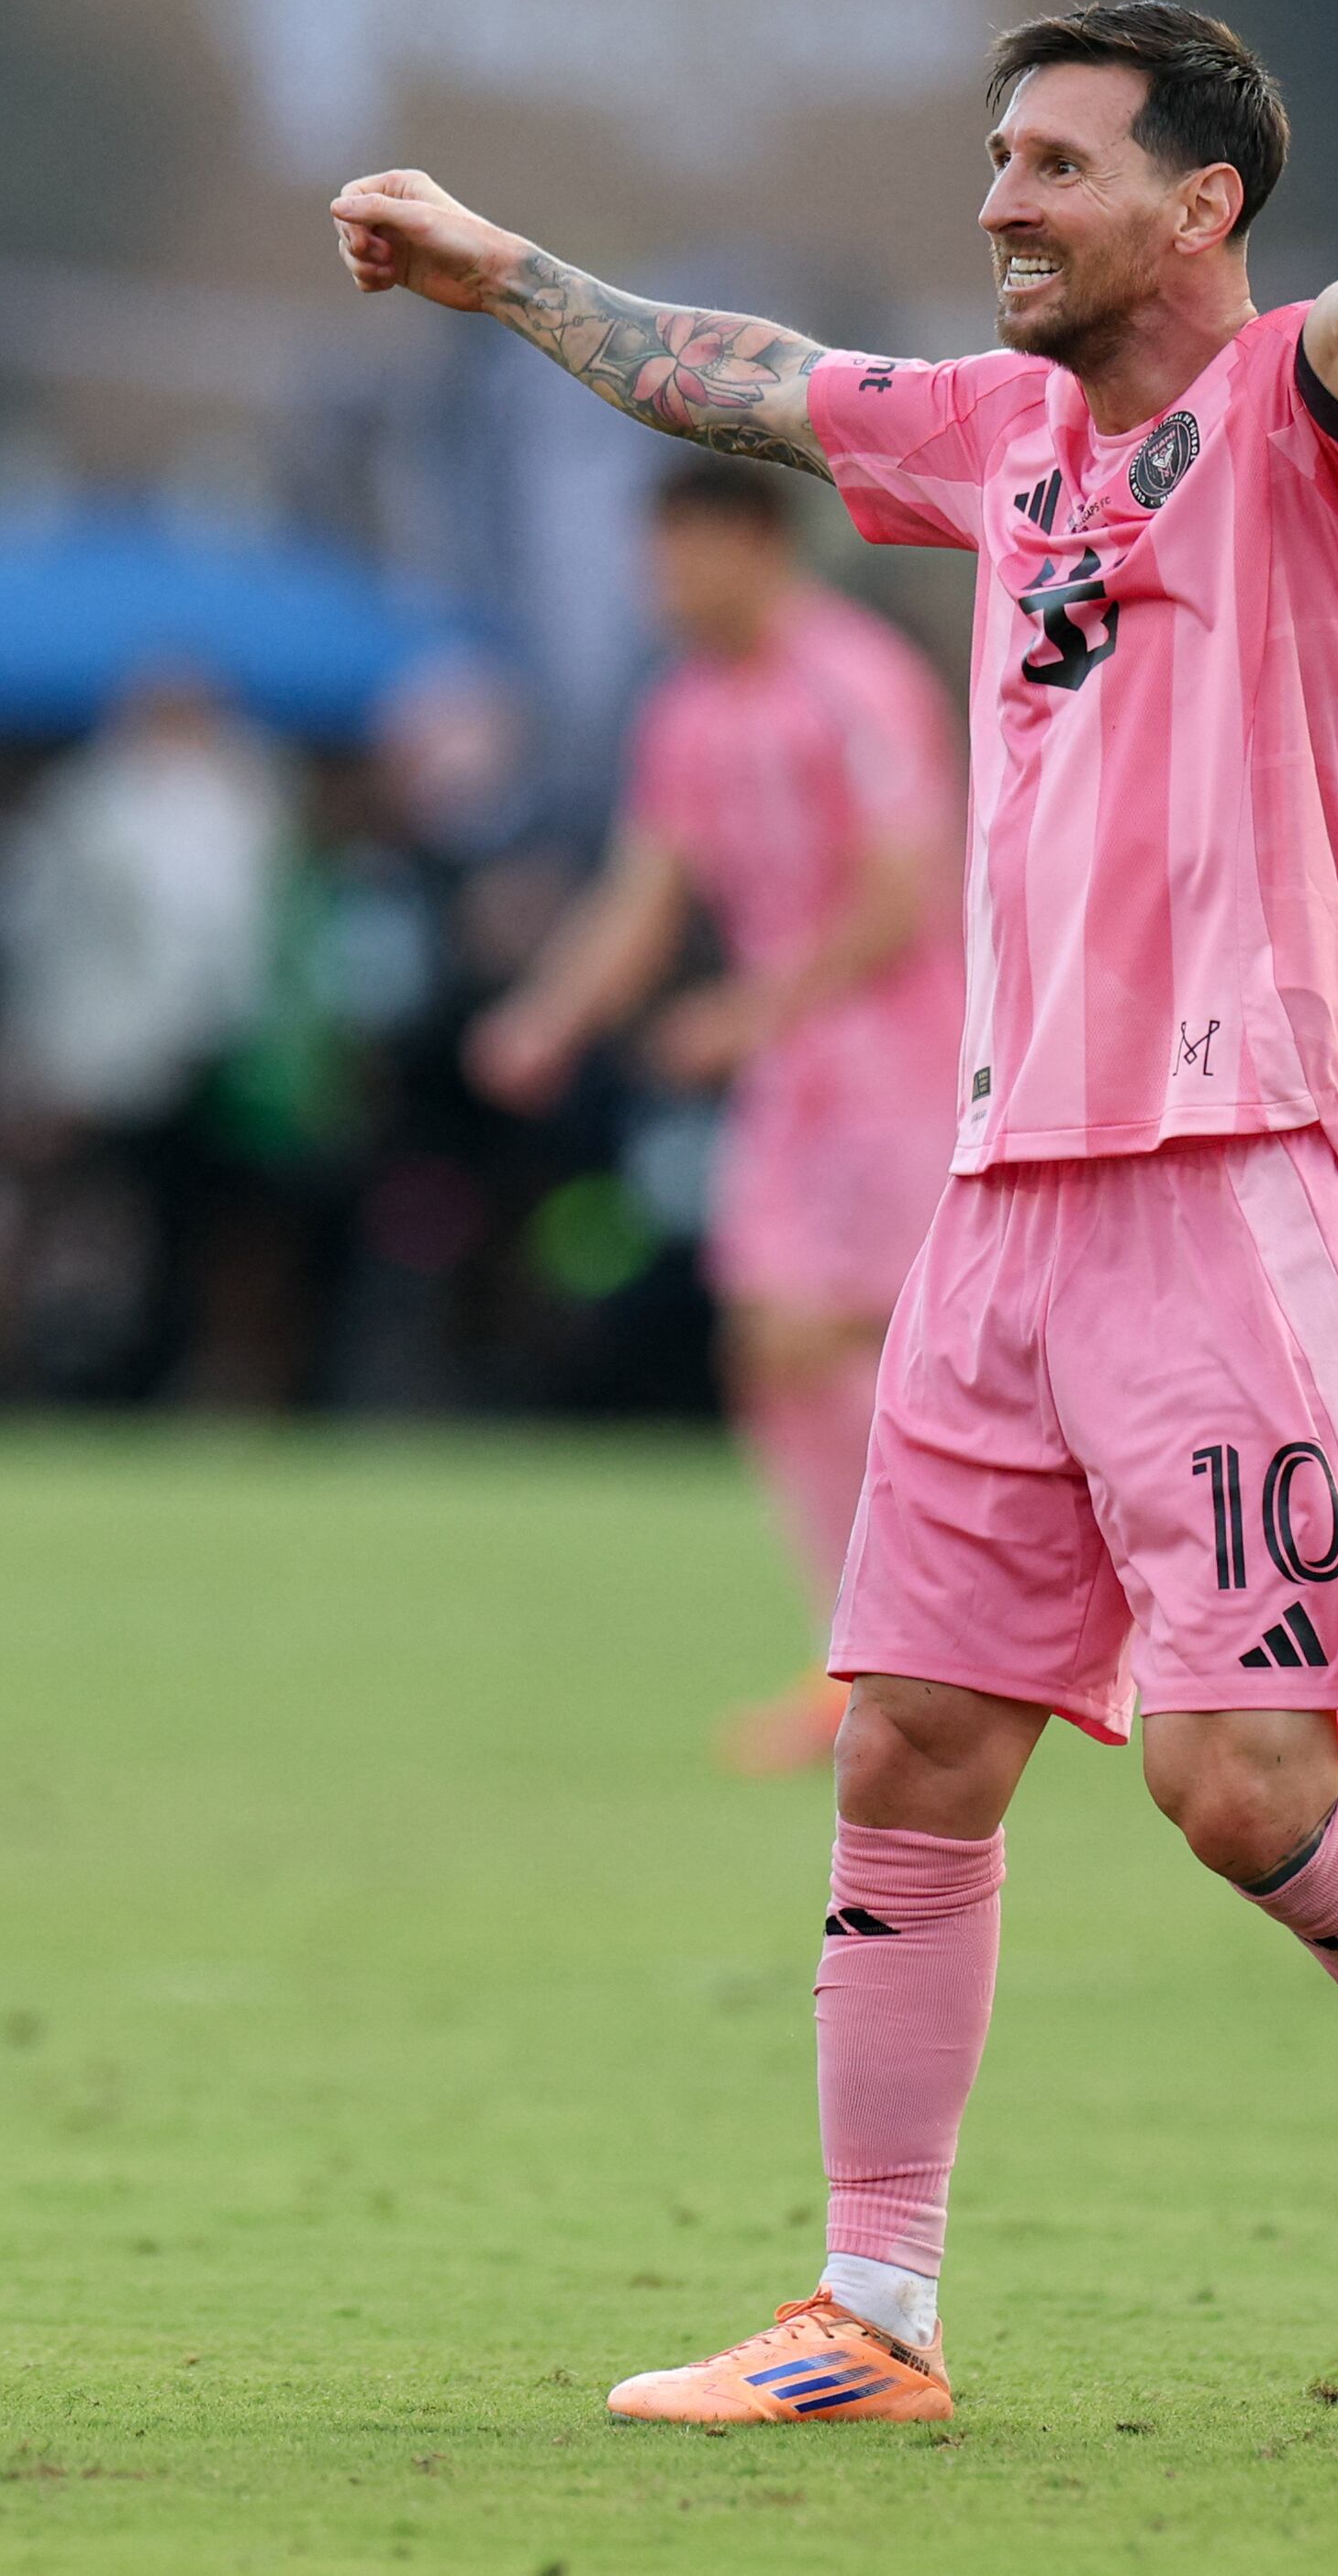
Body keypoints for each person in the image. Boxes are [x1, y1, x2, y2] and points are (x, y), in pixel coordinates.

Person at [335, 1, 1338, 2427]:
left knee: (1236, 1783)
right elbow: (741, 379)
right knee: (915, 1740)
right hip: (1005, 1188)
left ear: (1199, 204)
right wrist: (504, 266)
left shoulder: (1300, 428)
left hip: (1236, 1180)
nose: (1001, 202)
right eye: (998, 158)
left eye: (1051, 163)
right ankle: (874, 2309)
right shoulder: (1001, 434)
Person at [468, 457, 964, 1774]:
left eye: (684, 551)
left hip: (904, 1060)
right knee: (767, 1342)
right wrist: (549, 1017)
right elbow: (647, 891)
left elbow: (906, 887)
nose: (664, 582)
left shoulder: (857, 680)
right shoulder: (686, 710)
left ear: (757, 543)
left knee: (867, 1343)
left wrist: (751, 1009)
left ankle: (950, 1645)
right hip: (796, 1075)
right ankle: (864, 1654)